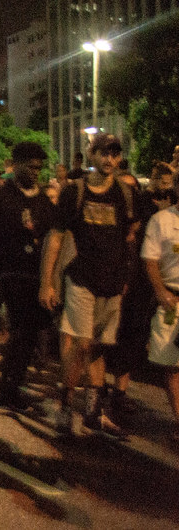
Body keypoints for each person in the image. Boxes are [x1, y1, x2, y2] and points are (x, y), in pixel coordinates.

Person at [39, 133, 136, 438]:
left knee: (99, 346)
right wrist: (47, 282)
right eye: (103, 153)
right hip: (81, 279)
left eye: (115, 154)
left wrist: (126, 276)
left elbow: (131, 234)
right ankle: (66, 405)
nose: (109, 160)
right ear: (90, 155)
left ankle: (94, 410)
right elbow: (55, 236)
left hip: (112, 283)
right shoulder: (74, 192)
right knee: (81, 344)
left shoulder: (126, 193)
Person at [0, 142, 55, 411]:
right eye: (30, 166)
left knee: (30, 335)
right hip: (10, 274)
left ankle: (11, 383)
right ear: (16, 165)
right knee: (21, 332)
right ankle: (8, 388)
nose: (35, 172)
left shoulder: (44, 200)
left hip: (37, 275)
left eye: (39, 167)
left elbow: (51, 237)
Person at [109, 161, 176, 415]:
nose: (166, 187)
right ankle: (118, 390)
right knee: (129, 335)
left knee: (142, 340)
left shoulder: (168, 207)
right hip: (137, 279)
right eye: (164, 181)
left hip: (159, 281)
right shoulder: (143, 207)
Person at [142, 176, 179, 441]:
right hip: (173, 302)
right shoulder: (162, 221)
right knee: (172, 365)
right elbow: (150, 258)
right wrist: (160, 291)